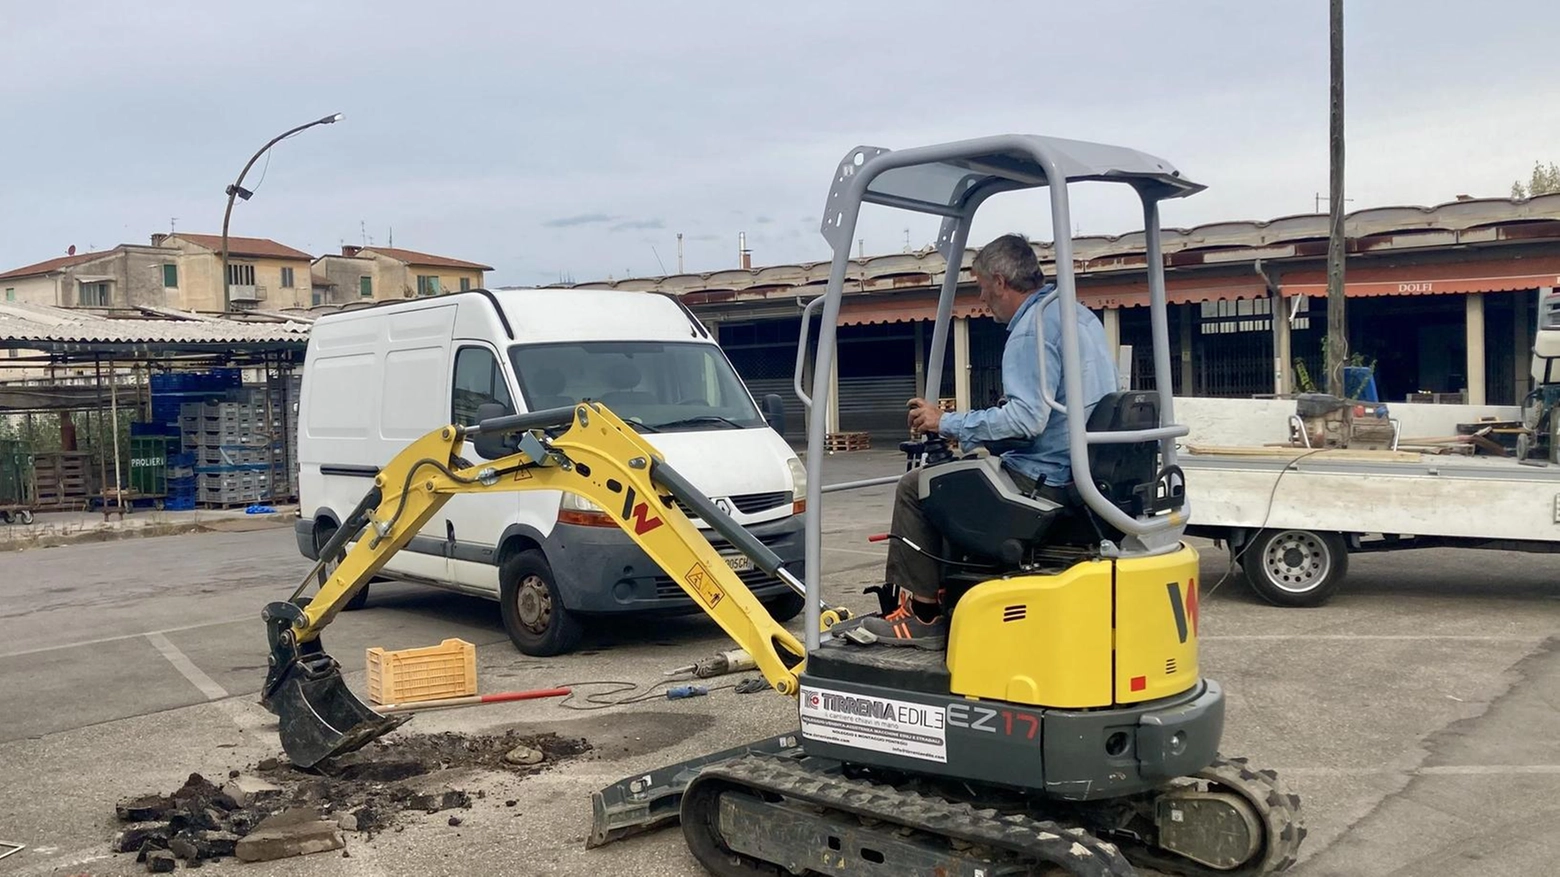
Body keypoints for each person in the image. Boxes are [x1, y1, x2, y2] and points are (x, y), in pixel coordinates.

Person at [859, 233, 1119, 648]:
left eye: (981, 286)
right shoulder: (1076, 315)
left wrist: (947, 423)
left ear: (999, 281)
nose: (982, 298)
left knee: (919, 486)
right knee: (962, 478)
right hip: (1082, 469)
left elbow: (1027, 419)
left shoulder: (1029, 330)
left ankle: (923, 614)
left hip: (1046, 478)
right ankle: (951, 597)